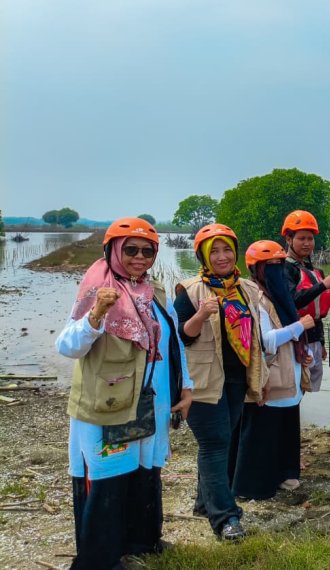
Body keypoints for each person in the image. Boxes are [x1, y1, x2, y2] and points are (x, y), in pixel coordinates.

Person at [56, 217, 193, 569]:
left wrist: (187, 388)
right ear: (112, 250)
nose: (140, 257)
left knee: (146, 469)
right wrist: (97, 314)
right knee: (108, 477)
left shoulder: (155, 292)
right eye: (130, 249)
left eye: (148, 251)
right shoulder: (96, 291)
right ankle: (101, 558)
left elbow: (175, 342)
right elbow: (68, 347)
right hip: (107, 405)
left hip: (153, 403)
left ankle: (143, 540)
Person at [173, 223, 267, 540]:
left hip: (237, 379)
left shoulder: (247, 289)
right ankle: (226, 518)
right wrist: (200, 315)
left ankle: (204, 503)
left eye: (227, 249)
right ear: (202, 255)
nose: (223, 256)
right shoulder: (189, 291)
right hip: (201, 380)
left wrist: (262, 378)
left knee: (224, 445)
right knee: (214, 445)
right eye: (215, 251)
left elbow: (256, 339)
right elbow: (180, 338)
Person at [231, 241, 315, 499]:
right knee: (261, 432)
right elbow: (266, 340)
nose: (277, 271)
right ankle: (253, 486)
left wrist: (305, 353)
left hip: (289, 373)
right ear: (256, 269)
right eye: (270, 267)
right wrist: (300, 326)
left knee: (286, 428)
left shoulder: (278, 294)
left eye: (280, 265)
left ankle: (286, 474)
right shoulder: (255, 297)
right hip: (269, 375)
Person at [281, 210, 330, 393]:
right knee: (295, 385)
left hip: (313, 336)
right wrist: (322, 286)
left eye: (310, 238)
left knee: (307, 386)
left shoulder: (315, 271)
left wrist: (321, 342)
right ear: (289, 239)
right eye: (302, 238)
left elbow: (317, 314)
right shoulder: (284, 268)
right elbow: (292, 302)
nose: (307, 243)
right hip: (295, 336)